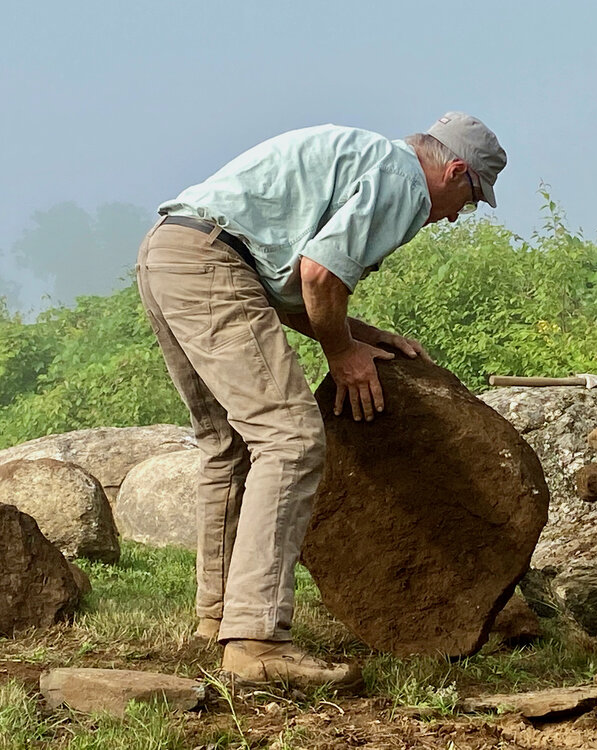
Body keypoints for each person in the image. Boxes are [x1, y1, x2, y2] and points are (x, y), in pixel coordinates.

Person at [135, 112, 506, 689]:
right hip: (212, 263)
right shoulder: (403, 182)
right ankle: (256, 642)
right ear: (454, 169)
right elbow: (318, 274)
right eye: (470, 196)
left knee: (227, 445)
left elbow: (284, 281)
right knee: (291, 440)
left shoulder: (365, 158)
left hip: (172, 251)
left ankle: (218, 619)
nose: (459, 213)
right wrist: (343, 353)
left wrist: (355, 332)